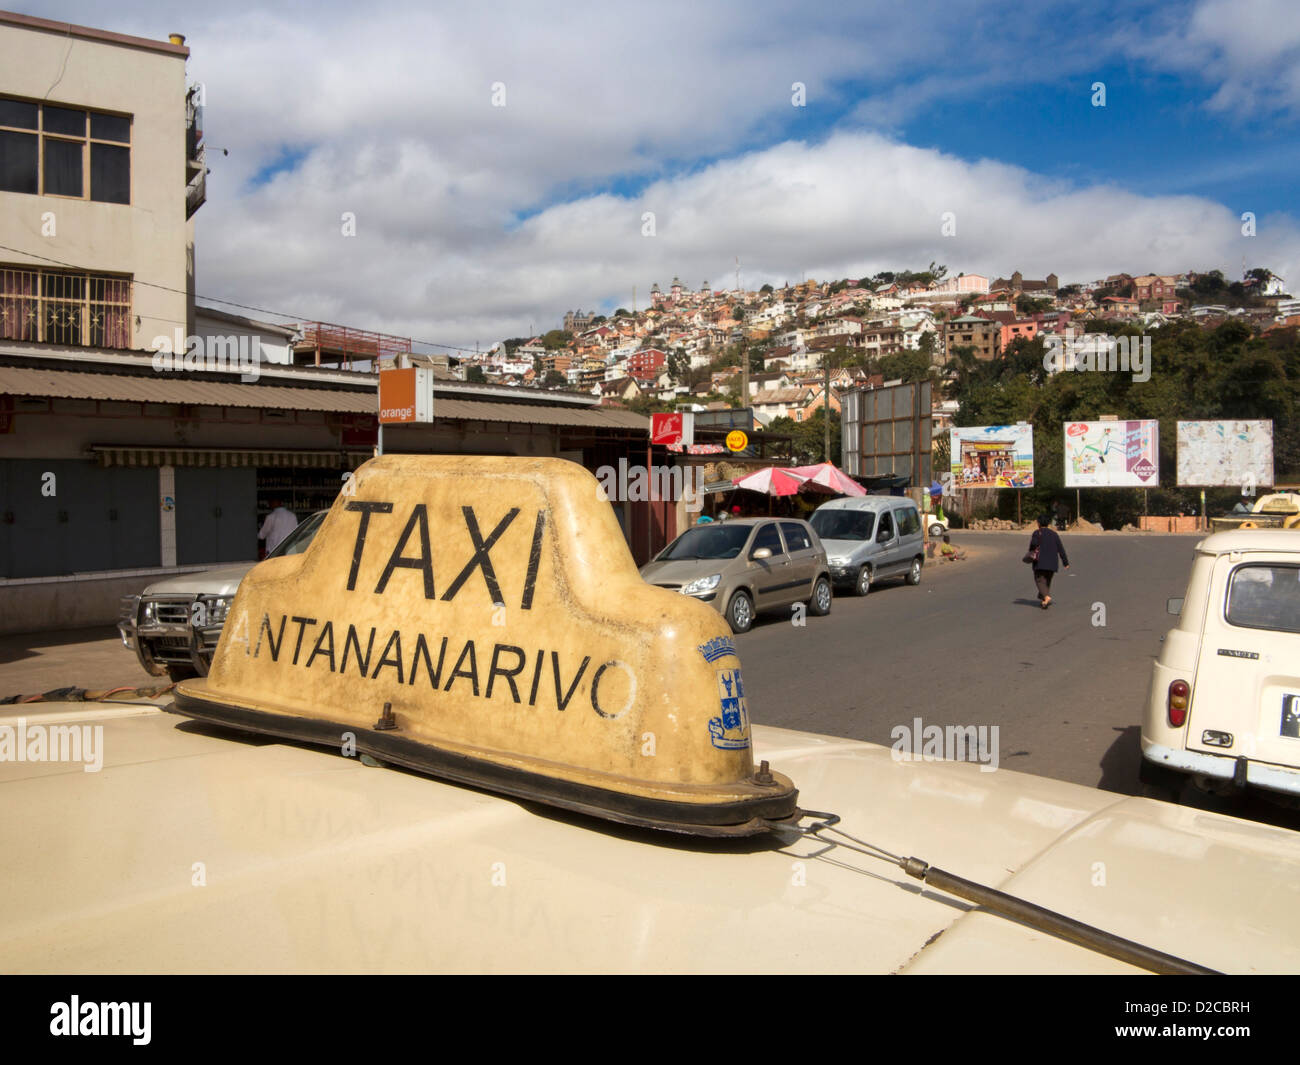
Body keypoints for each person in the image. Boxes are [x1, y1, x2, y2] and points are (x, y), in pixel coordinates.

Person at [1028, 512, 1069, 608]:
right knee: (1047, 581)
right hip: (1052, 563)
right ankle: (1044, 601)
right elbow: (1061, 549)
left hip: (1040, 562)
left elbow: (1033, 545)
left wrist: (1031, 552)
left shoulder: (1037, 533)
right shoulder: (1054, 534)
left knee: (1039, 580)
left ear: (1038, 523)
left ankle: (1046, 596)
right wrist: (1065, 562)